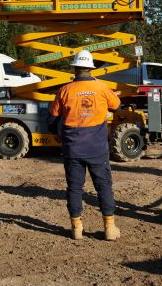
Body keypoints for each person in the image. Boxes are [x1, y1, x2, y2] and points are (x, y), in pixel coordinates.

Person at [49, 49, 122, 241]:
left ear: (75, 68)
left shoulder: (65, 90)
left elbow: (52, 118)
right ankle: (109, 228)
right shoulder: (102, 88)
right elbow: (117, 106)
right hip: (97, 149)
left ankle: (77, 229)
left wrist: (57, 134)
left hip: (72, 149)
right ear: (91, 68)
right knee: (104, 186)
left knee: (74, 188)